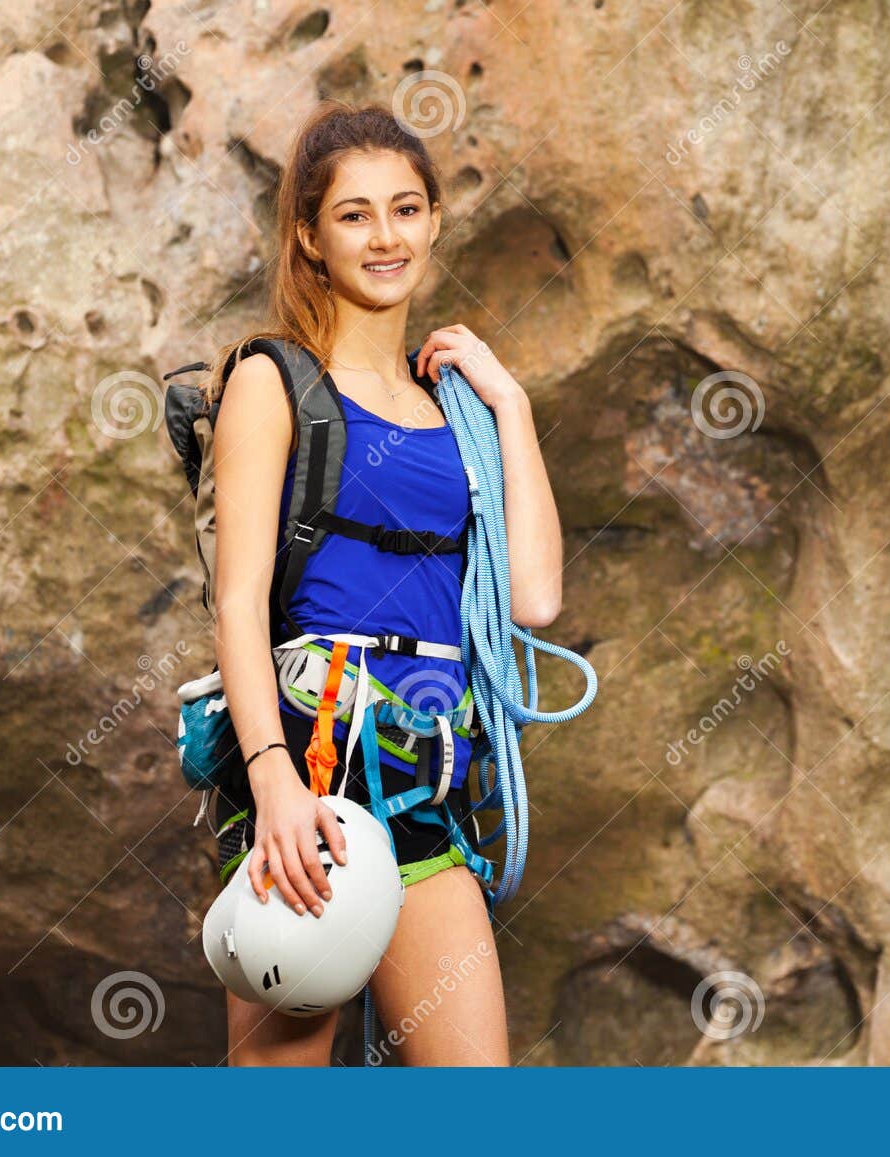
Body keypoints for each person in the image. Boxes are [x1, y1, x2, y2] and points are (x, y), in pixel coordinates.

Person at [205, 102, 564, 1066]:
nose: (385, 235)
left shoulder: (459, 407)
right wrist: (273, 780)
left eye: (405, 209)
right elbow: (236, 601)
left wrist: (511, 404)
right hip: (312, 764)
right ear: (310, 240)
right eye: (354, 215)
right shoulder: (272, 381)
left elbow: (532, 597)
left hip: (425, 772)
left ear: (436, 220)